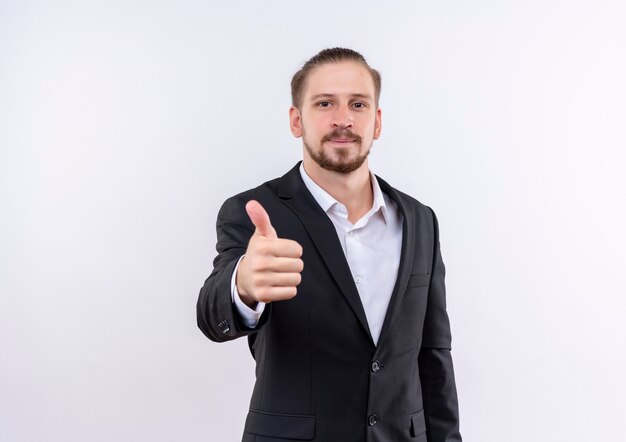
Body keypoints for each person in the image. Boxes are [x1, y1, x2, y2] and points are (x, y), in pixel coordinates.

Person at [197, 47, 462, 442]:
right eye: (325, 103)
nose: (343, 119)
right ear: (296, 120)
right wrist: (243, 286)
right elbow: (211, 315)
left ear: (377, 121)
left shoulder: (420, 219)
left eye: (358, 104)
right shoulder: (253, 213)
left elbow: (434, 356)